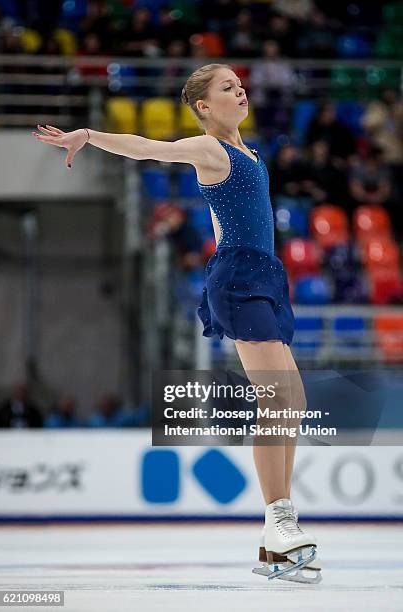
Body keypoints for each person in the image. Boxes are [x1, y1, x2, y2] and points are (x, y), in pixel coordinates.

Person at [31, 62, 321, 584]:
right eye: (228, 88)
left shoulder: (252, 154)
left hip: (262, 276)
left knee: (291, 400)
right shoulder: (212, 149)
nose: (241, 91)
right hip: (239, 278)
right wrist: (91, 135)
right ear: (204, 106)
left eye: (241, 84)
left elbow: (224, 213)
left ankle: (277, 534)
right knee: (278, 397)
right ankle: (278, 518)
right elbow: (146, 148)